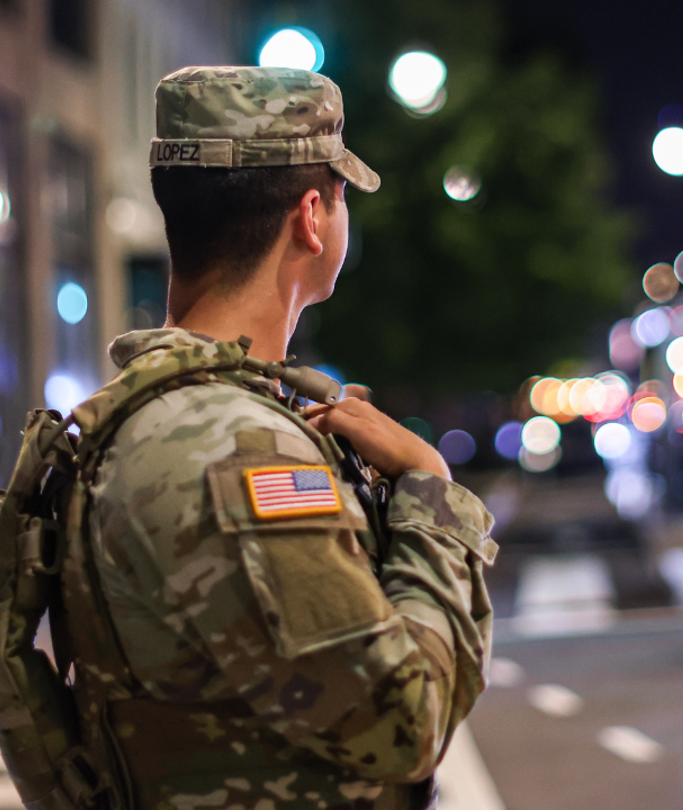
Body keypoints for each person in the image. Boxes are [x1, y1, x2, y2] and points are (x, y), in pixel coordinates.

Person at [78, 67, 495, 809]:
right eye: (341, 196)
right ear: (312, 216)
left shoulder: (158, 414)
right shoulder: (230, 447)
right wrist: (431, 494)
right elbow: (405, 723)